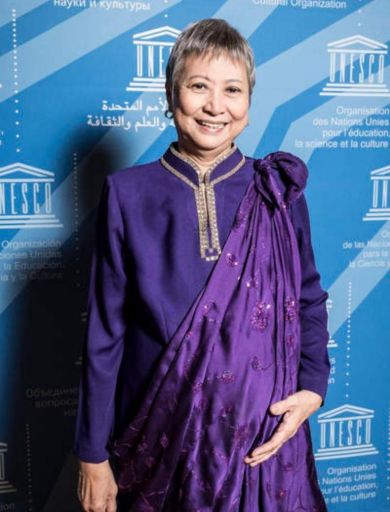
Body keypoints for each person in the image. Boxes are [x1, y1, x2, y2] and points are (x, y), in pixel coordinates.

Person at [74, 18, 330, 511]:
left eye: (233, 89)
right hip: (161, 436)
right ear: (172, 96)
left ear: (249, 105)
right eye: (198, 87)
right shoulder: (127, 193)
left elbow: (308, 296)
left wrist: (313, 389)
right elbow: (105, 332)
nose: (216, 106)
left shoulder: (274, 188)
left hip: (264, 438)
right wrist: (91, 454)